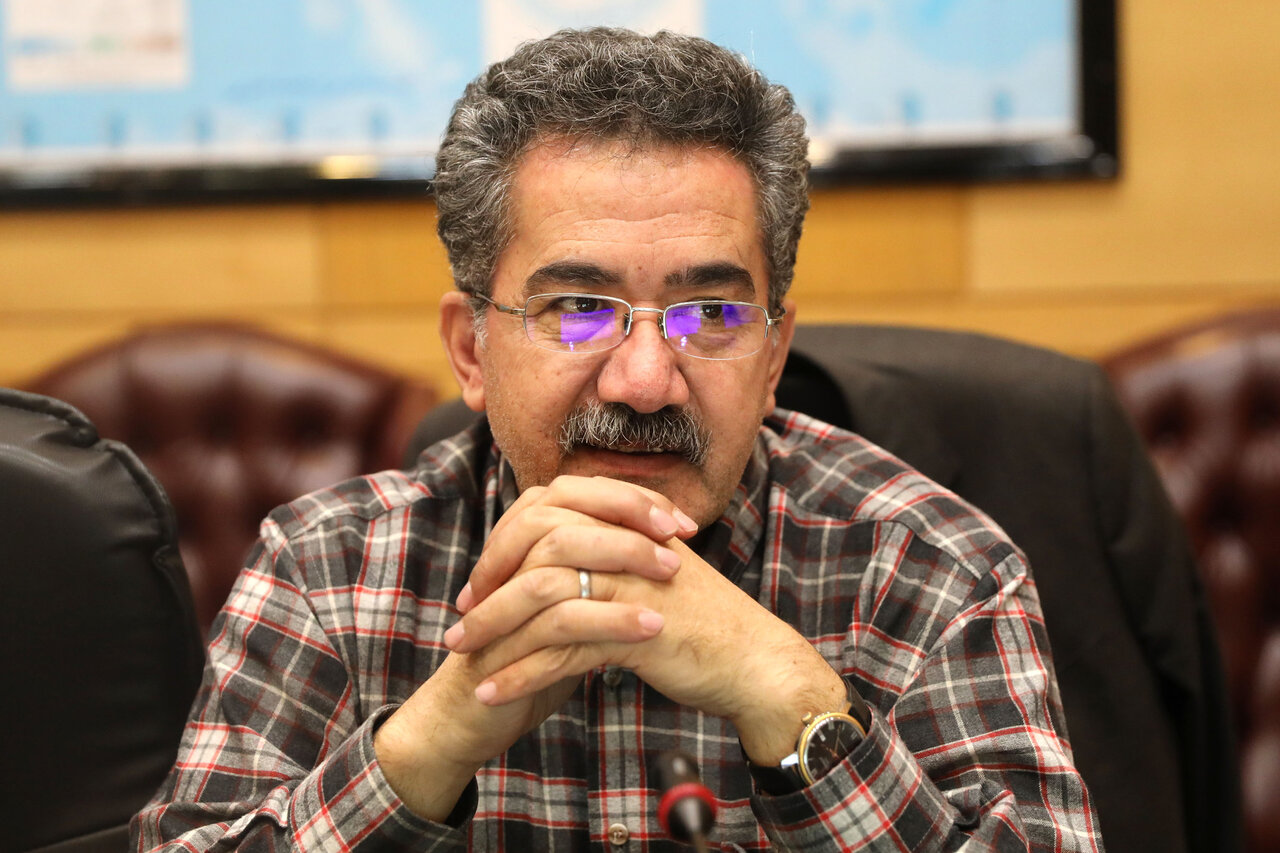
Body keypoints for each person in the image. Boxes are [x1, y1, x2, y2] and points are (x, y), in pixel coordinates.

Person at [134, 27, 1102, 851]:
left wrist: (799, 707)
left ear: (773, 354)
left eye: (709, 314)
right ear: (471, 350)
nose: (642, 381)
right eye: (579, 309)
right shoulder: (329, 571)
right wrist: (428, 744)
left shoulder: (931, 572)